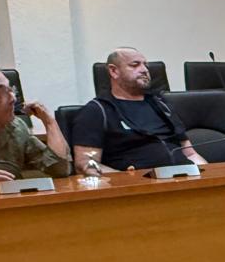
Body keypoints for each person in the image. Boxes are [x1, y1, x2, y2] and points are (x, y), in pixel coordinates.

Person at [71, 48, 207, 172]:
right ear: (114, 71)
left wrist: (209, 176)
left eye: (145, 65)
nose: (144, 70)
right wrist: (127, 181)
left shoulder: (161, 105)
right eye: (135, 65)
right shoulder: (97, 111)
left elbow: (190, 154)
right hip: (139, 189)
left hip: (185, 180)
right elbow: (86, 164)